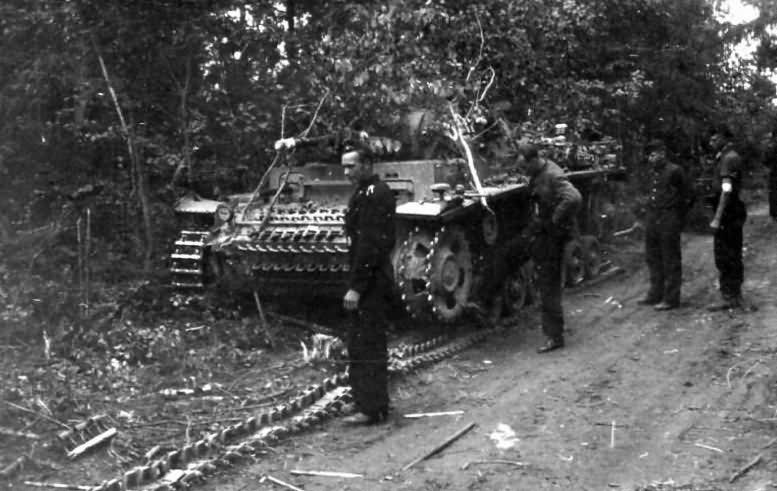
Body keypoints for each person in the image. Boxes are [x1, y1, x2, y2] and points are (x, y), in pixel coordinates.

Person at [340, 145, 396, 425]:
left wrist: (357, 287)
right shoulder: (363, 192)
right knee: (358, 342)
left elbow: (371, 246)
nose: (346, 171)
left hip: (371, 280)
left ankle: (374, 408)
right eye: (345, 166)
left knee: (370, 342)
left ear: (367, 165)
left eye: (351, 166)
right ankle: (363, 399)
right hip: (364, 276)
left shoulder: (378, 194)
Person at [519, 143, 582, 353]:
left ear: (533, 160)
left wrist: (555, 218)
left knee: (549, 286)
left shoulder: (552, 174)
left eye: (525, 167)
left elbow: (573, 197)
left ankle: (554, 337)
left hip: (553, 237)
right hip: (543, 233)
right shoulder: (539, 172)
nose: (524, 172)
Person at [639, 139, 691, 310]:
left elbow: (687, 196)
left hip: (669, 217)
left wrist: (677, 217)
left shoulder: (674, 171)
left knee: (670, 259)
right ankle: (655, 293)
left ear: (662, 153)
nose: (650, 158)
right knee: (653, 257)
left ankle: (671, 298)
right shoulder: (652, 172)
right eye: (649, 155)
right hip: (653, 217)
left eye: (653, 154)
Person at [706, 130, 747, 311]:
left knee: (728, 254)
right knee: (726, 253)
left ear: (725, 138)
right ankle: (731, 294)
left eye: (715, 138)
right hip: (727, 211)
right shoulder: (723, 156)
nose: (711, 141)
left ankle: (732, 295)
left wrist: (717, 218)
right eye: (711, 137)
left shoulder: (729, 158)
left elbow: (727, 190)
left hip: (729, 212)